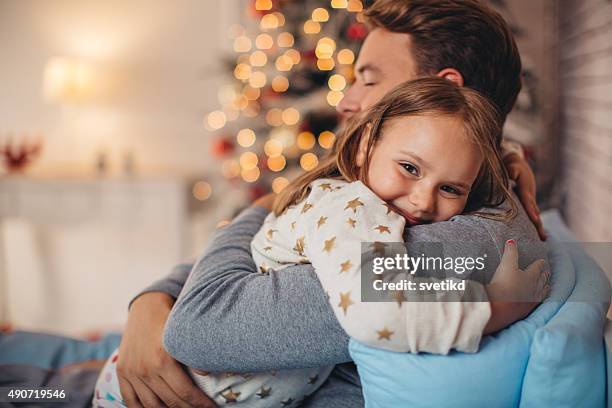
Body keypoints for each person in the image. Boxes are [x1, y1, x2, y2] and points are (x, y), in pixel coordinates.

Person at [116, 1, 549, 407]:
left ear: (438, 90)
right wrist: (153, 297)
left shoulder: (460, 234)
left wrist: (264, 208)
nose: (346, 100)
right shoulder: (396, 196)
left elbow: (199, 325)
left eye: (370, 78)